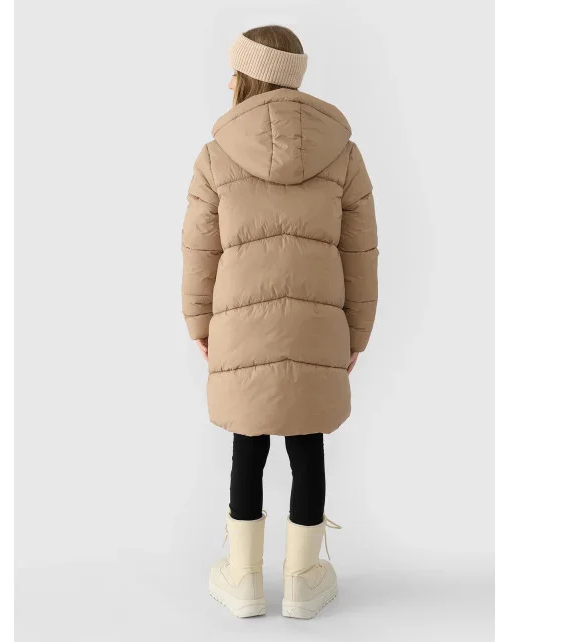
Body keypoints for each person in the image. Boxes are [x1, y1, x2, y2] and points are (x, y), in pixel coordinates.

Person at [181, 25, 378, 619]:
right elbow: (359, 254)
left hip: (240, 329)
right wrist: (357, 332)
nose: (228, 80)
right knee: (307, 441)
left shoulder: (215, 155)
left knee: (248, 441)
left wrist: (199, 324)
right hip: (319, 329)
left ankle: (243, 579)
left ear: (247, 77)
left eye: (234, 70)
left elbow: (200, 251)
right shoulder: (343, 154)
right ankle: (302, 580)